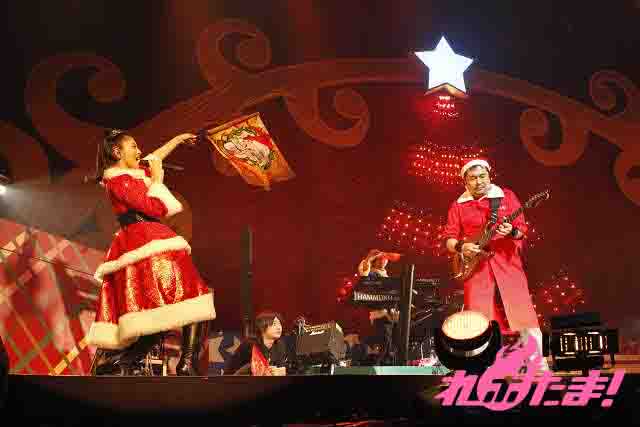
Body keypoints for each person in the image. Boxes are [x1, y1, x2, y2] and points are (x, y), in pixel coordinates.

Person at [87, 129, 216, 376]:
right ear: (117, 152)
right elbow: (154, 208)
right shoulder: (119, 181)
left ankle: (127, 363)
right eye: (133, 147)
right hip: (146, 242)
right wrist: (157, 179)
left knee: (173, 306)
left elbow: (155, 157)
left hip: (152, 239)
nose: (139, 151)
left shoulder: (131, 175)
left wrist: (177, 139)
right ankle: (183, 363)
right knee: (189, 295)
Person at [442, 158, 548, 370]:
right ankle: (481, 365)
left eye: (483, 176)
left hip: (507, 261)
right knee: (478, 316)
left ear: (489, 176)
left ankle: (537, 363)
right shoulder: (458, 205)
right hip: (476, 266)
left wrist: (511, 231)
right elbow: (449, 239)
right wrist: (462, 246)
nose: (479, 181)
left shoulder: (506, 196)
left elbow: (521, 231)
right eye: (473, 178)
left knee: (522, 310)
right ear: (465, 182)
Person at [356, 250, 400, 365]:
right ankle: (379, 365)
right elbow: (363, 273)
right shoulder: (372, 274)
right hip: (380, 314)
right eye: (380, 259)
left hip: (391, 315)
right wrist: (369, 258)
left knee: (391, 342)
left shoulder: (386, 275)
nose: (383, 261)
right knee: (384, 341)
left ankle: (387, 363)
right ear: (375, 261)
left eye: (385, 259)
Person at [223, 311, 288, 376]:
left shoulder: (280, 345)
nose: (279, 328)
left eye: (280, 324)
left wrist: (281, 371)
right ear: (262, 327)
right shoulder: (249, 345)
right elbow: (232, 370)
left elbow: (281, 367)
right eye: (274, 324)